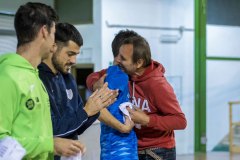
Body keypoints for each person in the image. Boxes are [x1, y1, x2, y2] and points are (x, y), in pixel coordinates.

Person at [87, 32, 187, 160]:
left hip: (157, 152)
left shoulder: (157, 85)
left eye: (123, 58)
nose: (117, 60)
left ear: (138, 62)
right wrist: (95, 84)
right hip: (132, 148)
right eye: (117, 55)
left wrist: (146, 119)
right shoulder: (124, 72)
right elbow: (93, 76)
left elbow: (180, 121)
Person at [38, 23, 118, 160]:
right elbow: (53, 130)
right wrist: (87, 111)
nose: (74, 61)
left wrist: (97, 106)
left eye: (76, 55)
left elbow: (77, 127)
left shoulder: (68, 78)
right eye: (70, 54)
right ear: (53, 47)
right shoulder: (38, 78)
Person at [0, 2, 58, 159]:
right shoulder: (7, 76)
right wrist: (50, 144)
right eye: (53, 34)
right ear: (44, 32)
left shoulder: (34, 75)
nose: (54, 44)